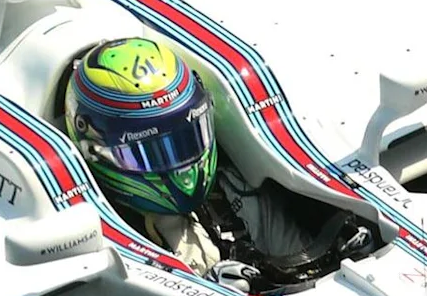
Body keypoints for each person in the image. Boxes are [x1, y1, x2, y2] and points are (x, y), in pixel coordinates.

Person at [64, 33, 338, 274]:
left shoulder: (237, 193)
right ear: (95, 151)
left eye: (186, 139)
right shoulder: (94, 244)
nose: (181, 168)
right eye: (150, 153)